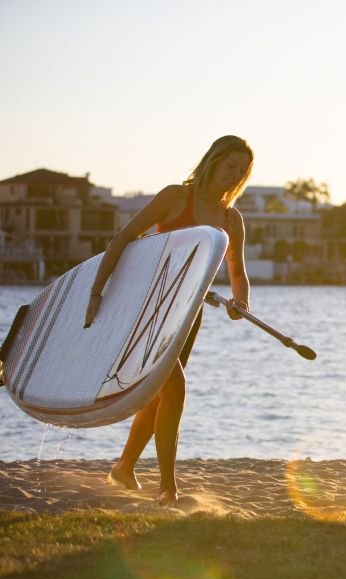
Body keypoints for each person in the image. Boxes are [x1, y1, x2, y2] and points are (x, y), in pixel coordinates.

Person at [84, 135, 253, 504]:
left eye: (242, 171)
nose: (234, 175)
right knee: (174, 390)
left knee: (157, 397)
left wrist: (240, 304)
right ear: (212, 161)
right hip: (147, 312)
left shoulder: (231, 218)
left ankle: (124, 468)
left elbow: (237, 271)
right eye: (230, 167)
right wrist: (97, 290)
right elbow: (125, 236)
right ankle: (168, 488)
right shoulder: (176, 197)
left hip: (186, 318)